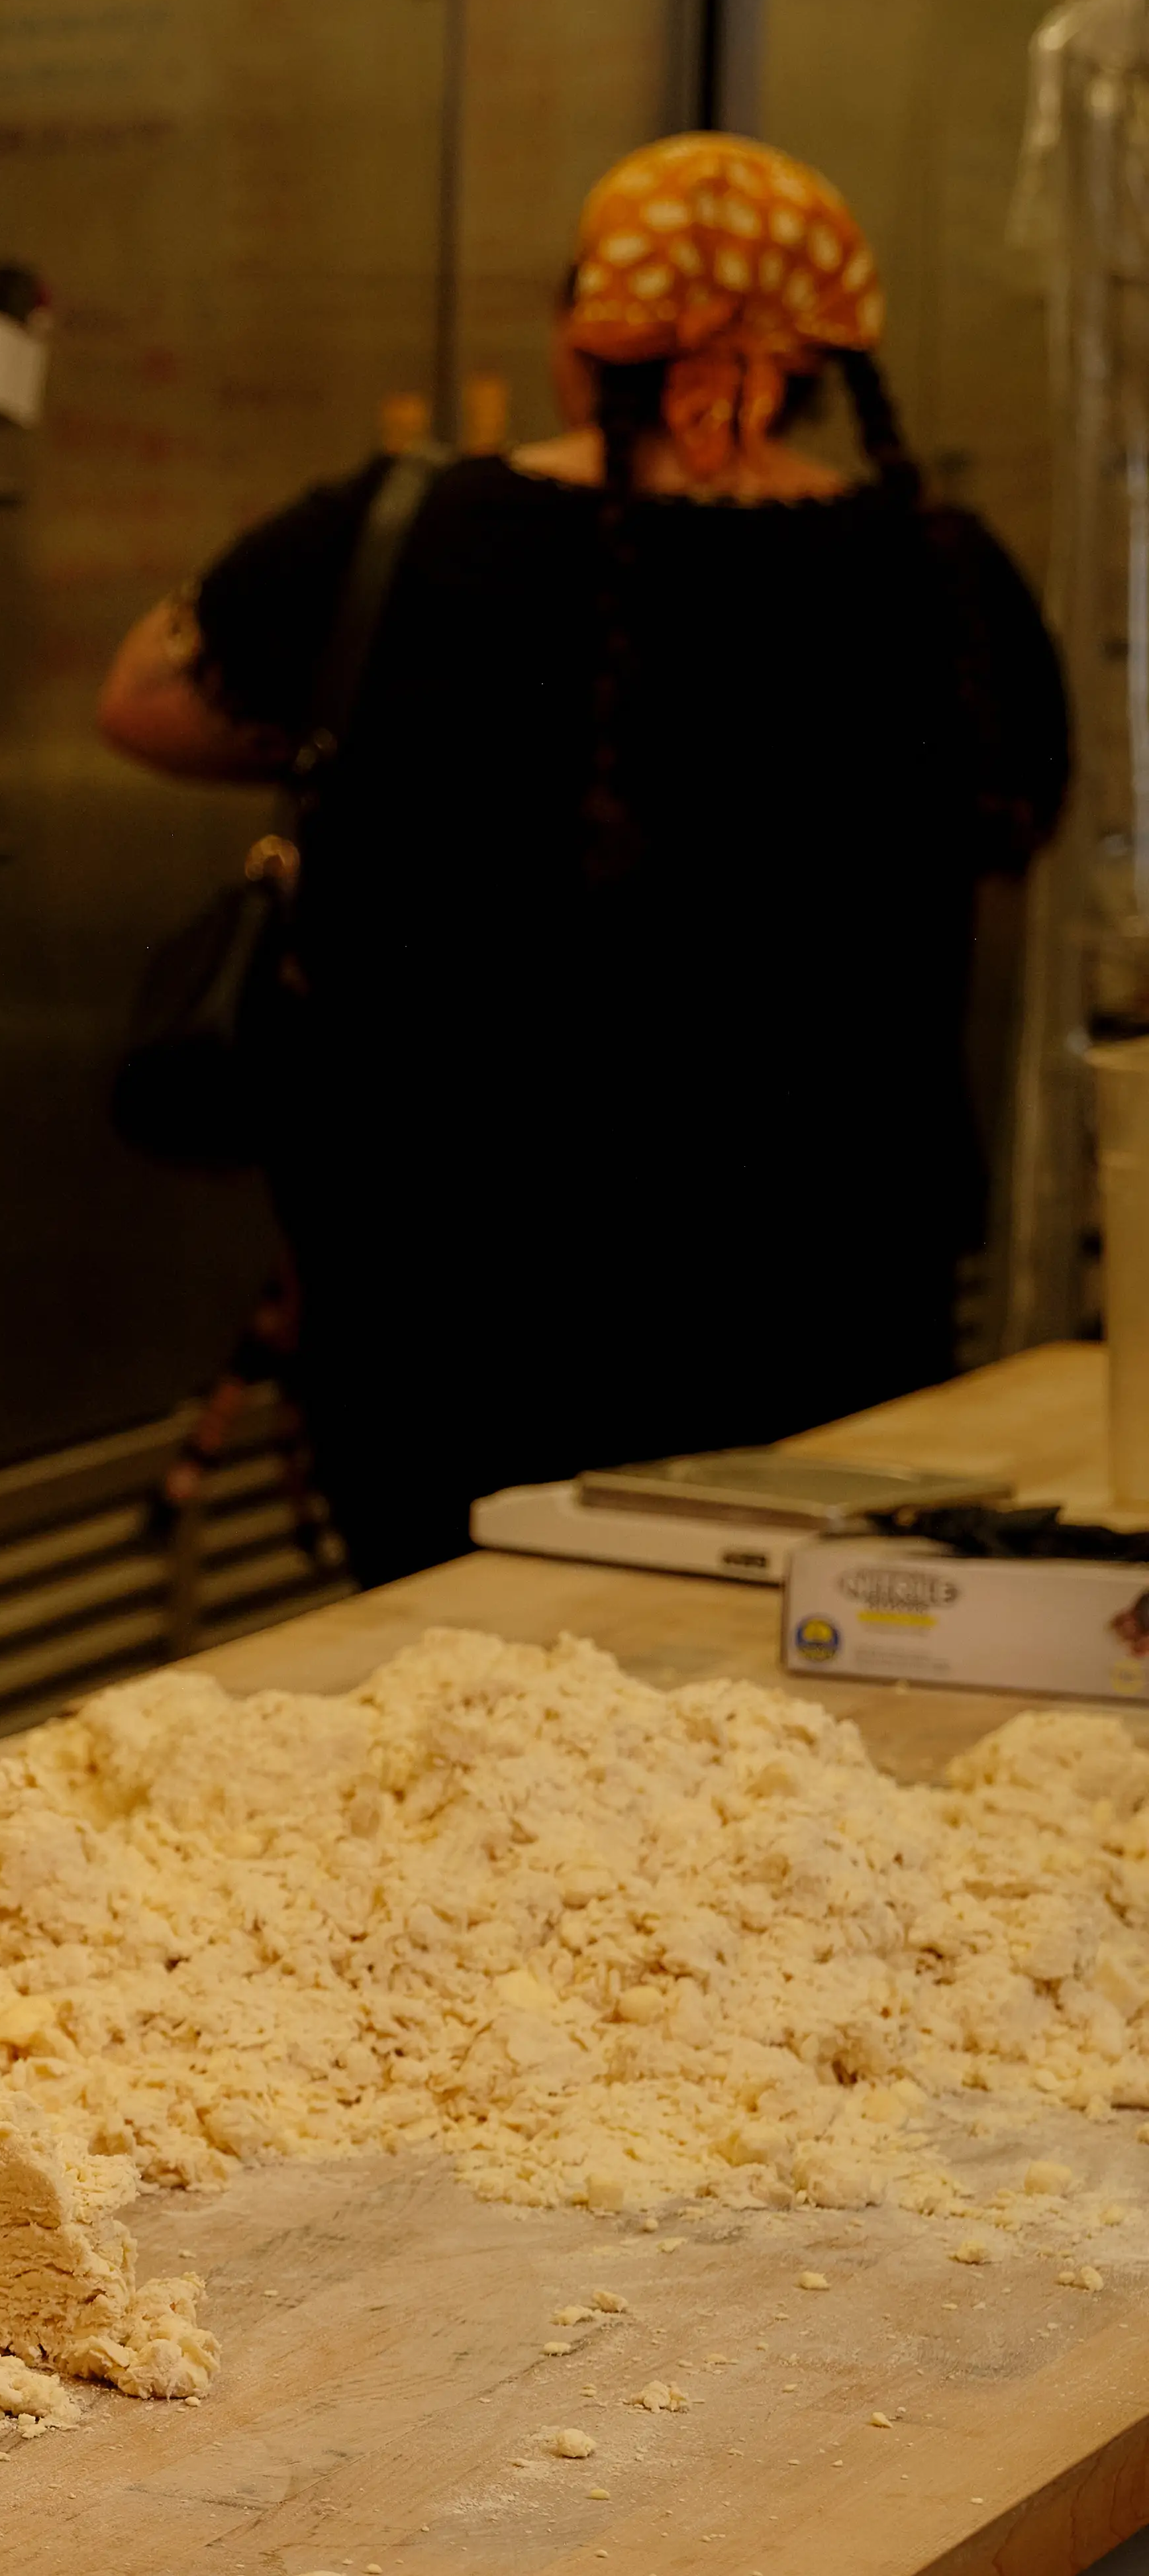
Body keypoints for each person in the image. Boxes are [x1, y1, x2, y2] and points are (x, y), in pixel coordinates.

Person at [95, 130, 1068, 1577]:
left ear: (582, 334)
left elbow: (145, 699)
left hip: (448, 1291)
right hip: (832, 1282)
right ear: (825, 353)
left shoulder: (397, 531)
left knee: (454, 1666)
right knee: (780, 1686)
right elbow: (1017, 821)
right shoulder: (947, 576)